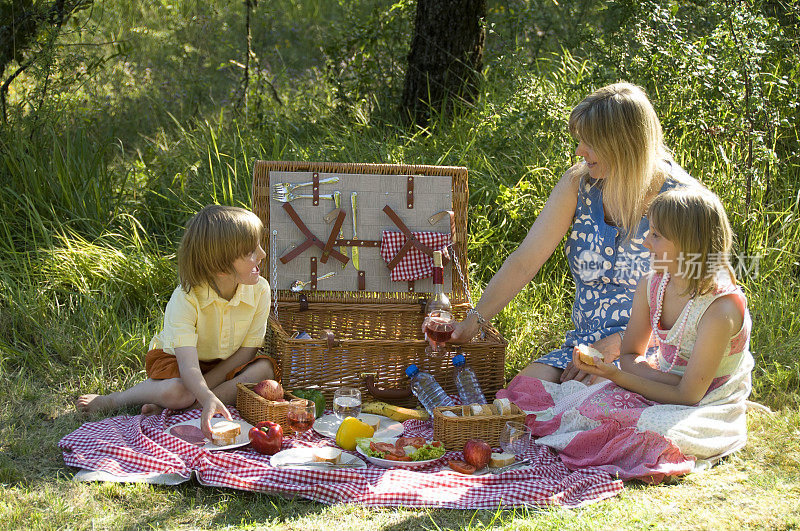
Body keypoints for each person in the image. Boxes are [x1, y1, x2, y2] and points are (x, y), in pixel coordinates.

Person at [447, 82, 698, 383]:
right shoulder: (579, 184)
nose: (579, 151)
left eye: (589, 142)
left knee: (587, 407)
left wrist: (621, 344)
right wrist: (475, 320)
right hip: (582, 348)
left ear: (623, 144)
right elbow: (525, 261)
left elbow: (700, 300)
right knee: (520, 395)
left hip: (652, 351)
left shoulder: (682, 201)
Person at [498, 187, 753, 481]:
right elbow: (632, 356)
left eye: (656, 235)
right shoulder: (653, 283)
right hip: (667, 384)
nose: (646, 243)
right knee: (585, 405)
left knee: (652, 434)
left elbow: (689, 396)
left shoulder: (719, 309)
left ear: (687, 244)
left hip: (708, 400)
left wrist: (619, 376)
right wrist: (635, 375)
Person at [76, 205, 277, 439]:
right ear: (220, 268)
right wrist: (203, 392)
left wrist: (204, 393)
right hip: (179, 363)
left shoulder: (260, 290)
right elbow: (188, 366)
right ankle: (115, 399)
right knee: (179, 391)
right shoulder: (186, 298)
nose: (262, 254)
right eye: (251, 252)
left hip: (227, 362)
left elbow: (247, 352)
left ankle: (186, 408)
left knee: (265, 370)